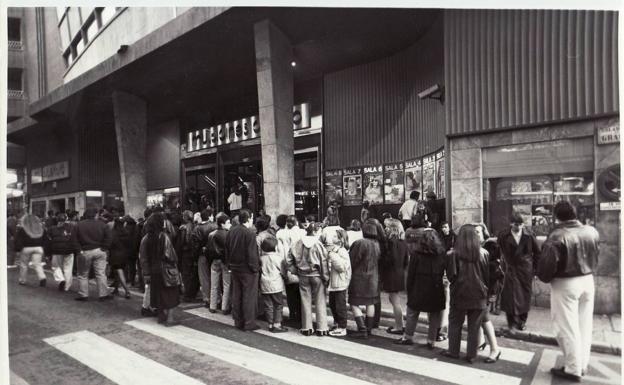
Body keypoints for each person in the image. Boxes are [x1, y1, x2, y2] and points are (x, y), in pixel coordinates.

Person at [538, 201, 600, 382]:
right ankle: (581, 364)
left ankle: (573, 368)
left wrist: (544, 277)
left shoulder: (556, 235)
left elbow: (547, 267)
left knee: (566, 327)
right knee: (584, 325)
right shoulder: (591, 231)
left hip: (565, 283)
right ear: (575, 213)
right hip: (588, 280)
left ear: (556, 216)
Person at [441, 224, 491, 363]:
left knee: (455, 323)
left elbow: (451, 276)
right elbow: (487, 276)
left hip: (460, 293)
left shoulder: (452, 254)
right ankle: (471, 355)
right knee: (474, 326)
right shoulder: (484, 253)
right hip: (479, 294)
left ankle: (453, 351)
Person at [396, 213, 446, 347]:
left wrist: (409, 289)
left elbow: (411, 274)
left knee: (413, 312)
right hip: (435, 287)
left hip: (419, 286)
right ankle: (431, 340)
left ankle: (408, 336)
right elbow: (443, 272)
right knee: (434, 314)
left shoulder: (416, 254)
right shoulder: (441, 254)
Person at [497, 213, 541, 330]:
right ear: (511, 224)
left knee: (525, 296)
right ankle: (511, 321)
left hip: (525, 270)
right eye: (516, 224)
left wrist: (535, 270)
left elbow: (537, 253)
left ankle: (522, 321)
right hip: (510, 268)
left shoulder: (529, 235)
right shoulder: (503, 236)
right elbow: (500, 250)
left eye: (521, 224)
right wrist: (502, 265)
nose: (519, 227)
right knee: (509, 296)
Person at [287, 222, 330, 336]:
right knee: (320, 300)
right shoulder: (318, 244)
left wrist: (296, 271)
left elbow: (288, 260)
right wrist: (326, 277)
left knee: (305, 300)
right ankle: (322, 328)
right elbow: (324, 262)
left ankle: (307, 327)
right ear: (315, 231)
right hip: (317, 275)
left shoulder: (297, 243)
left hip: (303, 275)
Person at [139, 213, 181, 326]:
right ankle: (170, 319)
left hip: (154, 270)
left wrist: (146, 273)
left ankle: (161, 316)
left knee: (159, 294)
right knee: (171, 293)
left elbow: (143, 258)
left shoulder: (146, 238)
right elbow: (171, 256)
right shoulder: (164, 236)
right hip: (166, 270)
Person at [225, 209, 260, 331]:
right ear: (249, 218)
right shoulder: (249, 233)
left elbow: (227, 250)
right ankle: (248, 322)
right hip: (247, 269)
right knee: (248, 296)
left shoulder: (231, 231)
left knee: (237, 295)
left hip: (234, 268)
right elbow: (252, 254)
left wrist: (229, 264)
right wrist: (255, 268)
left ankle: (238, 321)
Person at [347, 221, 381, 338]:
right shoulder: (377, 244)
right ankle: (369, 328)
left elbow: (352, 260)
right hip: (373, 278)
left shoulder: (360, 243)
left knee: (354, 303)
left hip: (359, 278)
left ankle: (362, 329)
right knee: (370, 303)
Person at [75, 208, 113, 301]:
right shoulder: (102, 225)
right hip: (99, 251)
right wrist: (104, 248)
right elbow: (109, 237)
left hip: (84, 251)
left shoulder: (78, 225)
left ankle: (83, 295)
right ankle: (103, 294)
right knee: (101, 273)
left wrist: (79, 250)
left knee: (83, 274)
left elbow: (74, 240)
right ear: (95, 215)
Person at [382, 219, 409, 335]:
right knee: (394, 299)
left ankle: (399, 326)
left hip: (391, 273)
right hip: (399, 273)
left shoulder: (391, 242)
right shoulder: (403, 243)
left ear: (393, 229)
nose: (385, 229)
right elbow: (405, 261)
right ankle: (400, 324)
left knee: (394, 300)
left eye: (387, 227)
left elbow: (390, 259)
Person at [277, 215, 302, 326]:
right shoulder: (302, 233)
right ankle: (300, 316)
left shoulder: (280, 234)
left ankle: (292, 314)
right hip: (299, 266)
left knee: (290, 293)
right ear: (296, 222)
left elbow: (281, 252)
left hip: (287, 265)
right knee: (300, 293)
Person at [259, 237, 288, 333]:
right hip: (276, 285)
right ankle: (277, 324)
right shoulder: (278, 259)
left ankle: (270, 324)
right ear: (275, 247)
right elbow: (283, 272)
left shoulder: (261, 259)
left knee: (268, 305)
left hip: (264, 285)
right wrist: (286, 278)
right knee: (278, 304)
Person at [47, 212, 81, 292]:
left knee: (55, 267)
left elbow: (49, 240)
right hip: (69, 250)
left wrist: (48, 253)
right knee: (68, 268)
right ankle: (67, 287)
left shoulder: (52, 228)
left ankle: (61, 279)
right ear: (66, 219)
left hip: (56, 250)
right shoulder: (71, 227)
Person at [327, 231, 351, 337]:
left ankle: (342, 327)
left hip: (340, 282)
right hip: (334, 282)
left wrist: (332, 255)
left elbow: (342, 267)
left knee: (340, 305)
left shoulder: (342, 251)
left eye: (335, 236)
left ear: (341, 240)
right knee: (333, 304)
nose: (333, 237)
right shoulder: (335, 250)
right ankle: (337, 323)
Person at [192, 207, 218, 307]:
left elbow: (195, 245)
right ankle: (217, 299)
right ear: (210, 216)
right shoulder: (215, 226)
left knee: (204, 278)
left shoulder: (197, 228)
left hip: (202, 256)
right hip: (214, 255)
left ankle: (207, 299)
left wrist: (195, 257)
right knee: (215, 278)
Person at [14, 214, 48, 287]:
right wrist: (43, 247)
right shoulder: (41, 228)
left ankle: (22, 280)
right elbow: (45, 239)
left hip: (26, 248)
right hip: (38, 248)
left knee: (24, 265)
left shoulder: (23, 229)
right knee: (37, 264)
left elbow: (18, 240)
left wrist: (18, 249)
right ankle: (42, 277)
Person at [208, 212, 232, 314]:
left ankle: (212, 306)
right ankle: (224, 307)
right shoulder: (227, 234)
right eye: (228, 222)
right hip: (225, 262)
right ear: (222, 224)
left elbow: (208, 250)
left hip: (214, 261)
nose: (229, 224)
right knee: (226, 285)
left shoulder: (211, 234)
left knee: (214, 284)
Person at [176, 210, 199, 302]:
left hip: (186, 253)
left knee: (186, 274)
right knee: (192, 274)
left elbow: (181, 243)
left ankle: (188, 294)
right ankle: (192, 292)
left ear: (185, 217)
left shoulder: (183, 228)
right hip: (193, 253)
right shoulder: (195, 226)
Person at [109, 217, 132, 299]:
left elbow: (110, 243)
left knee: (118, 271)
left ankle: (127, 291)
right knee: (118, 272)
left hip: (115, 254)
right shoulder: (126, 232)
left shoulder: (113, 232)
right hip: (124, 254)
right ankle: (116, 289)